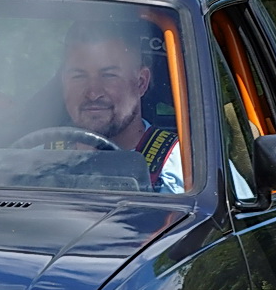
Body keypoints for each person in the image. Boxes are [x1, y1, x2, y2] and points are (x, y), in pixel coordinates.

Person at [52, 18, 184, 192]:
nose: (93, 93)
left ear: (141, 82)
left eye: (109, 75)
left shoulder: (186, 170)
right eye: (79, 76)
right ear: (63, 82)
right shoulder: (34, 160)